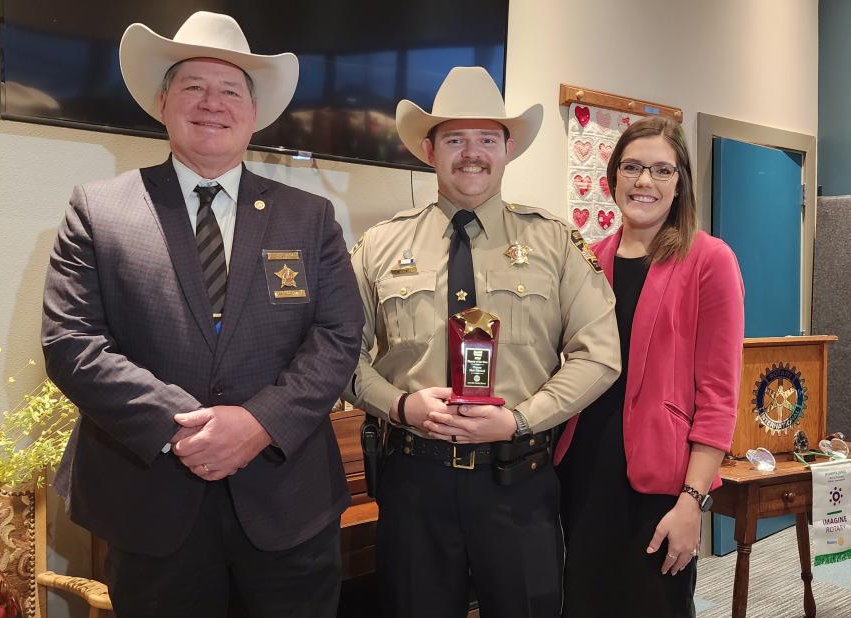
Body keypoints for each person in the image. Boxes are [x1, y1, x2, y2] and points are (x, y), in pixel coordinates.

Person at [41, 12, 363, 618]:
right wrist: (181, 426)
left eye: (230, 89)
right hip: (150, 505)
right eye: (193, 86)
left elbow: (340, 335)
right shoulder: (98, 210)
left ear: (253, 111)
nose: (211, 103)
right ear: (163, 102)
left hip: (287, 503)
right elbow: (71, 344)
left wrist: (258, 423)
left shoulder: (310, 217)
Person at [344, 66, 621, 618]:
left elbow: (599, 354)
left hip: (518, 482)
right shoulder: (378, 246)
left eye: (487, 139)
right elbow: (339, 355)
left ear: (508, 149)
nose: (472, 153)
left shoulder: (555, 242)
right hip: (415, 482)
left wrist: (521, 419)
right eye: (454, 139)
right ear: (429, 149)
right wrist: (399, 405)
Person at [554, 115, 745, 617]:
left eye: (662, 170)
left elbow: (720, 397)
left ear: (680, 182)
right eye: (633, 167)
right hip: (585, 469)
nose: (645, 181)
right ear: (612, 176)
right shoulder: (588, 260)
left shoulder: (710, 260)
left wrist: (692, 501)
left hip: (660, 481)